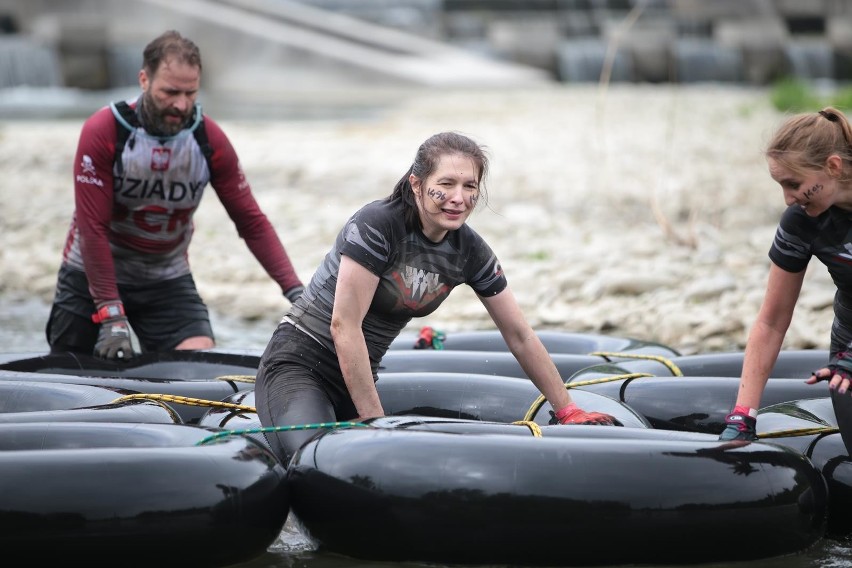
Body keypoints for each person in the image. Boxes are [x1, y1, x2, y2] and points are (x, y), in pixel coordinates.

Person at [254, 131, 616, 465]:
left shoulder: (469, 251)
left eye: (469, 186)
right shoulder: (378, 225)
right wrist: (375, 423)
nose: (459, 198)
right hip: (299, 364)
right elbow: (344, 326)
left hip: (361, 374)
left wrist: (567, 409)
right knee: (319, 461)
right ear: (417, 184)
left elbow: (519, 335)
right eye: (446, 184)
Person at [45, 30, 304, 361]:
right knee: (72, 369)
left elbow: (251, 222)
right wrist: (111, 313)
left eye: (190, 93)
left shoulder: (209, 139)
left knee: (199, 363)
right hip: (91, 276)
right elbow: (91, 227)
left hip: (165, 279)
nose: (181, 105)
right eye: (170, 92)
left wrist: (297, 294)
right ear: (143, 80)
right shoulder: (105, 130)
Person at [720, 106, 852, 442]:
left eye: (794, 183)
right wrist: (742, 415)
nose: (788, 198)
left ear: (833, 167)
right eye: (780, 185)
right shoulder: (801, 220)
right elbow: (772, 321)